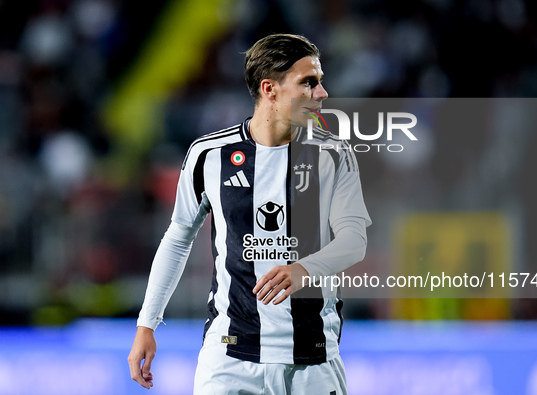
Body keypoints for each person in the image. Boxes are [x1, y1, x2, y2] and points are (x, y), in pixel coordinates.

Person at [128, 33, 371, 394]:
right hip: (229, 359)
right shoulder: (209, 155)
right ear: (269, 89)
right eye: (309, 83)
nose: (322, 94)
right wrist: (147, 324)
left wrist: (305, 269)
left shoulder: (333, 154)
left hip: (312, 357)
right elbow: (179, 236)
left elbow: (354, 240)